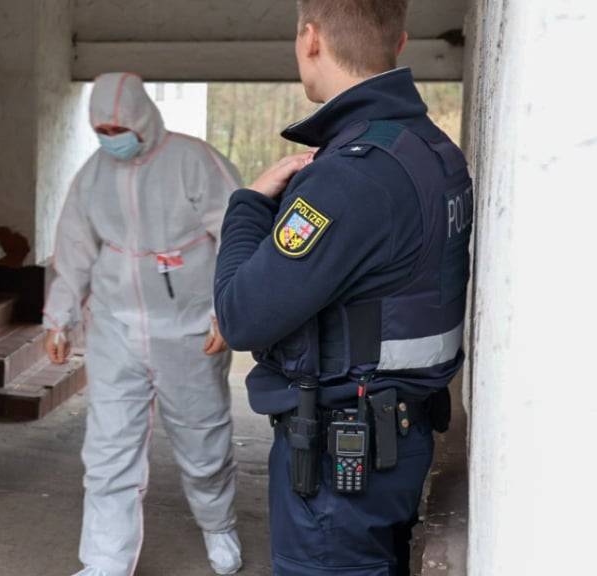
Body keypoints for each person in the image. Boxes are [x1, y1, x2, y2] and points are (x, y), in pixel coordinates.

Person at [214, 1, 473, 575]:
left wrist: (250, 205)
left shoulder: (348, 175)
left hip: (338, 468)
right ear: (399, 43)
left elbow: (239, 316)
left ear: (310, 38)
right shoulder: (432, 150)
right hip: (398, 440)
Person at [43, 73, 244, 576]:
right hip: (115, 329)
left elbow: (238, 238)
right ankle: (105, 561)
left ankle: (219, 528)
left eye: (118, 126)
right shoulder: (92, 176)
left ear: (141, 118)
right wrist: (59, 318)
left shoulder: (194, 162)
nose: (112, 136)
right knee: (108, 449)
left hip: (191, 328)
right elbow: (73, 251)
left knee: (203, 441)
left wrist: (229, 312)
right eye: (102, 128)